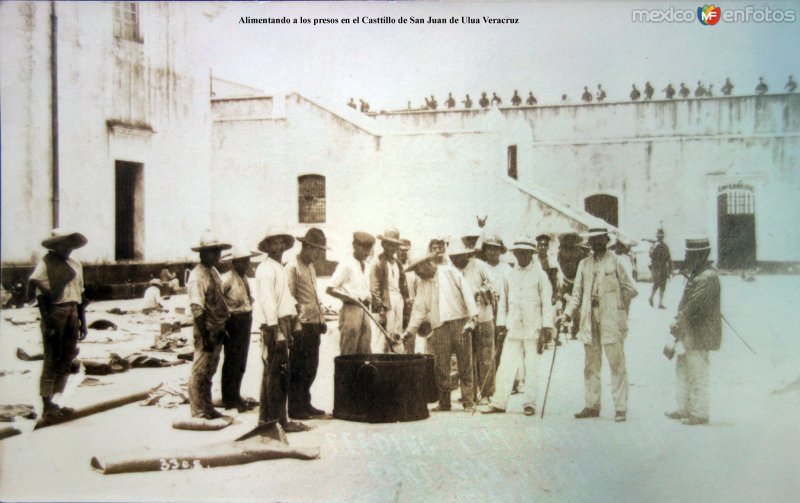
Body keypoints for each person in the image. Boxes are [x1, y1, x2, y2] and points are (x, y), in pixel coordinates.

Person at [559, 227, 637, 423]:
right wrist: (567, 314)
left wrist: (620, 308)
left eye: (599, 239)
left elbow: (630, 288)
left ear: (606, 239)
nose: (596, 243)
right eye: (593, 240)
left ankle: (620, 408)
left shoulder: (617, 261)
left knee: (616, 363)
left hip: (611, 318)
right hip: (589, 316)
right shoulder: (584, 264)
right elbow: (576, 294)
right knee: (591, 364)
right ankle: (592, 405)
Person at [482, 236, 554, 416]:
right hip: (513, 325)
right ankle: (499, 402)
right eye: (518, 252)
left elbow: (546, 302)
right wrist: (501, 325)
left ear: (531, 253)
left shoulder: (540, 275)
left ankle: (529, 403)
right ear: (514, 254)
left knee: (532, 365)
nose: (521, 256)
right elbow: (504, 302)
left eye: (525, 252)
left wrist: (547, 327)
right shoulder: (508, 274)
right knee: (506, 364)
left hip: (533, 326)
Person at [403, 253, 478, 412]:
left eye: (418, 269)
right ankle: (445, 402)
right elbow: (419, 309)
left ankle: (468, 401)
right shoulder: (422, 284)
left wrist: (473, 317)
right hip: (439, 326)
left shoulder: (450, 272)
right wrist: (409, 331)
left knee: (465, 363)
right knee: (441, 365)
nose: (417, 273)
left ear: (428, 263)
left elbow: (467, 293)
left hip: (460, 321)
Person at [28, 229, 89, 422]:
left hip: (72, 311)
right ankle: (46, 405)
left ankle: (55, 401)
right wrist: (48, 323)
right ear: (55, 246)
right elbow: (41, 296)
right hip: (55, 312)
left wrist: (82, 322)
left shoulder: (76, 265)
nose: (68, 249)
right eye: (64, 245)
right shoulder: (45, 265)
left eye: (70, 245)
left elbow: (80, 295)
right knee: (52, 359)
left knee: (67, 358)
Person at [255, 227, 309, 432]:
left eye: (280, 243)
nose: (277, 247)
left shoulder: (278, 267)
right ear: (267, 247)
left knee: (276, 373)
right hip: (273, 325)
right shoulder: (266, 270)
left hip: (283, 322)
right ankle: (275, 421)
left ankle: (271, 418)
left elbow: (285, 297)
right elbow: (268, 303)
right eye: (273, 243)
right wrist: (276, 331)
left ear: (285, 246)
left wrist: (295, 317)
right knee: (275, 373)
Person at [666, 237, 721, 425]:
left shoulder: (706, 278)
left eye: (690, 254)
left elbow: (694, 308)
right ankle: (684, 408)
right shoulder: (699, 275)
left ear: (701, 255)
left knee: (698, 373)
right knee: (683, 370)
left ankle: (699, 413)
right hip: (688, 332)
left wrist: (677, 324)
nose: (686, 257)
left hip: (699, 333)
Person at [186, 233, 231, 420]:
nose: (217, 256)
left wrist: (223, 327)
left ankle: (207, 406)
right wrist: (206, 335)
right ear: (203, 253)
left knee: (210, 370)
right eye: (213, 252)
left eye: (218, 252)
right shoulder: (197, 276)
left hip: (218, 327)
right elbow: (197, 308)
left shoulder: (213, 272)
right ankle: (198, 409)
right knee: (200, 370)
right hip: (207, 329)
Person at [285, 228, 329, 419]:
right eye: (317, 250)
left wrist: (322, 319)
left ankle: (305, 402)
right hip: (301, 325)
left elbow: (314, 296)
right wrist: (295, 325)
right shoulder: (292, 267)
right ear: (307, 247)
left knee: (312, 367)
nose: (319, 254)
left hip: (313, 323)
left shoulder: (310, 267)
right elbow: (290, 298)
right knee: (298, 368)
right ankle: (295, 408)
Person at [448, 243, 495, 404]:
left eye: (457, 257)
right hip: (463, 320)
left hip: (483, 318)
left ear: (465, 255)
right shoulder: (450, 270)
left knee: (485, 356)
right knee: (466, 358)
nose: (454, 260)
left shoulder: (480, 266)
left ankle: (486, 392)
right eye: (452, 257)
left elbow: (493, 285)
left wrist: (482, 291)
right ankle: (470, 393)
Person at [220, 247, 259, 412]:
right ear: (234, 262)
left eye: (247, 260)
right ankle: (229, 399)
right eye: (242, 261)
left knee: (241, 361)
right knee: (232, 360)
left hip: (245, 320)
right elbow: (217, 299)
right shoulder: (227, 279)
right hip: (233, 321)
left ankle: (236, 395)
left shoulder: (244, 278)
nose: (246, 264)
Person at [327, 232, 375, 355]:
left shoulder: (367, 266)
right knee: (349, 349)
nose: (366, 252)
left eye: (369, 249)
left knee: (365, 350)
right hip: (351, 309)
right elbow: (330, 289)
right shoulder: (346, 264)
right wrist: (349, 299)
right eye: (364, 248)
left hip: (365, 310)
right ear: (355, 245)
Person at [370, 228, 411, 353]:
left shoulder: (398, 264)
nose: (392, 248)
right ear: (383, 245)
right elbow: (374, 288)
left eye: (395, 245)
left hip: (398, 301)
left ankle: (396, 362)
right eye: (389, 245)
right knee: (383, 336)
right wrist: (380, 309)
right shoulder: (377, 263)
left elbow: (403, 286)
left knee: (397, 333)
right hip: (386, 303)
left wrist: (406, 302)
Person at [481, 236, 509, 371]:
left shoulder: (506, 269)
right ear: (485, 251)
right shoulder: (481, 267)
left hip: (502, 308)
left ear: (500, 251)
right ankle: (488, 374)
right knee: (486, 343)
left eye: (495, 249)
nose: (492, 252)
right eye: (489, 249)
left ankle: (502, 373)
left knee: (502, 341)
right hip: (486, 308)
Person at [557, 232, 589, 340]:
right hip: (566, 280)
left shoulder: (579, 252)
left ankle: (575, 329)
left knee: (576, 304)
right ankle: (565, 326)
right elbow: (560, 265)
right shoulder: (561, 252)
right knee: (565, 303)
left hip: (577, 279)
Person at [649, 228, 672, 309]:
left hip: (663, 267)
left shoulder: (665, 246)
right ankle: (651, 297)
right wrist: (655, 248)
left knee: (663, 285)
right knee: (656, 284)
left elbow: (669, 258)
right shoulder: (654, 246)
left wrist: (670, 269)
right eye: (659, 237)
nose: (660, 238)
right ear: (657, 237)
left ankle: (660, 303)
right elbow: (650, 256)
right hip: (656, 267)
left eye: (661, 237)